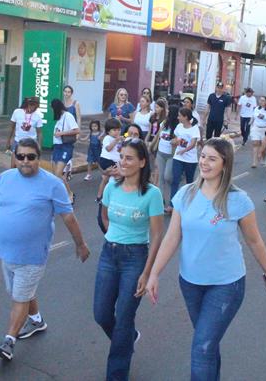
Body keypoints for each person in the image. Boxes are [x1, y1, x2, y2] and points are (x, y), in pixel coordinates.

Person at [145, 138, 266, 381]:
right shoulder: (185, 194)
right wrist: (154, 274)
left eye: (212, 158)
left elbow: (254, 241)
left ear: (224, 164)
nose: (204, 162)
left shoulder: (238, 200)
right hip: (190, 283)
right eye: (203, 156)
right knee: (207, 343)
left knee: (202, 347)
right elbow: (172, 238)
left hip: (226, 285)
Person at [0, 137, 90, 362]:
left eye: (31, 157)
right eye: (20, 156)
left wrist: (80, 244)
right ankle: (37, 321)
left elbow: (69, 217)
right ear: (15, 156)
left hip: (33, 254)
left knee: (19, 297)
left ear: (38, 158)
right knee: (22, 292)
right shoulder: (5, 178)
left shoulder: (53, 184)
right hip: (6, 252)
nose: (25, 161)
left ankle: (8, 341)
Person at [94, 139, 165, 381]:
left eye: (129, 158)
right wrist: (113, 235)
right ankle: (127, 338)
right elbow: (103, 215)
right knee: (101, 314)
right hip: (108, 254)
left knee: (123, 317)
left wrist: (147, 272)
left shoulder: (151, 194)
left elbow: (157, 235)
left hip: (135, 258)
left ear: (142, 162)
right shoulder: (112, 186)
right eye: (121, 156)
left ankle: (116, 374)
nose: (122, 162)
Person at [51, 99, 80, 203]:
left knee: (58, 174)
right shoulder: (60, 117)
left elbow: (76, 130)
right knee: (56, 175)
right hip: (57, 147)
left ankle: (70, 194)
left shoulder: (68, 116)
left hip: (65, 147)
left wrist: (61, 133)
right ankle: (60, 195)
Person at [152, 104, 179, 213]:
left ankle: (174, 193)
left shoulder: (178, 126)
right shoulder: (163, 123)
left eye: (168, 110)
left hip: (171, 155)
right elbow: (158, 136)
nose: (166, 111)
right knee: (161, 179)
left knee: (168, 177)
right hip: (160, 153)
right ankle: (161, 202)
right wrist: (152, 146)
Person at [170, 108, 200, 198]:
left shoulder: (194, 128)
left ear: (185, 117)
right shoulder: (179, 126)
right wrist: (174, 141)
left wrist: (184, 150)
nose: (178, 117)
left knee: (189, 182)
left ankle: (189, 201)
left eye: (179, 116)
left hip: (190, 160)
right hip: (178, 157)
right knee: (175, 180)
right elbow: (175, 138)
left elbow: (193, 144)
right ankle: (172, 204)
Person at [7, 97, 44, 166]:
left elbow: (40, 133)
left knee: (29, 165)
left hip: (31, 144)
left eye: (37, 107)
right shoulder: (17, 112)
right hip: (18, 142)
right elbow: (11, 127)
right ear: (28, 105)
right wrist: (8, 141)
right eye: (34, 106)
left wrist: (39, 146)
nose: (35, 108)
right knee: (13, 166)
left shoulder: (38, 116)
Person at [97, 119, 124, 205]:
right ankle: (108, 197)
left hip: (114, 161)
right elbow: (108, 149)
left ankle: (100, 197)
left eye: (119, 130)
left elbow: (119, 151)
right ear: (108, 131)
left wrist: (121, 143)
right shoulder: (107, 138)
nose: (117, 132)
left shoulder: (118, 139)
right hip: (106, 160)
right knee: (119, 177)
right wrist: (116, 140)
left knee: (106, 178)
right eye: (114, 130)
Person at [250, 96, 266, 168]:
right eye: (260, 100)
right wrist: (250, 123)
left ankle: (264, 159)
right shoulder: (257, 108)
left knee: (264, 146)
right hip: (256, 128)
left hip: (265, 129)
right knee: (255, 143)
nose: (261, 102)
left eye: (263, 100)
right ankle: (254, 162)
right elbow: (253, 116)